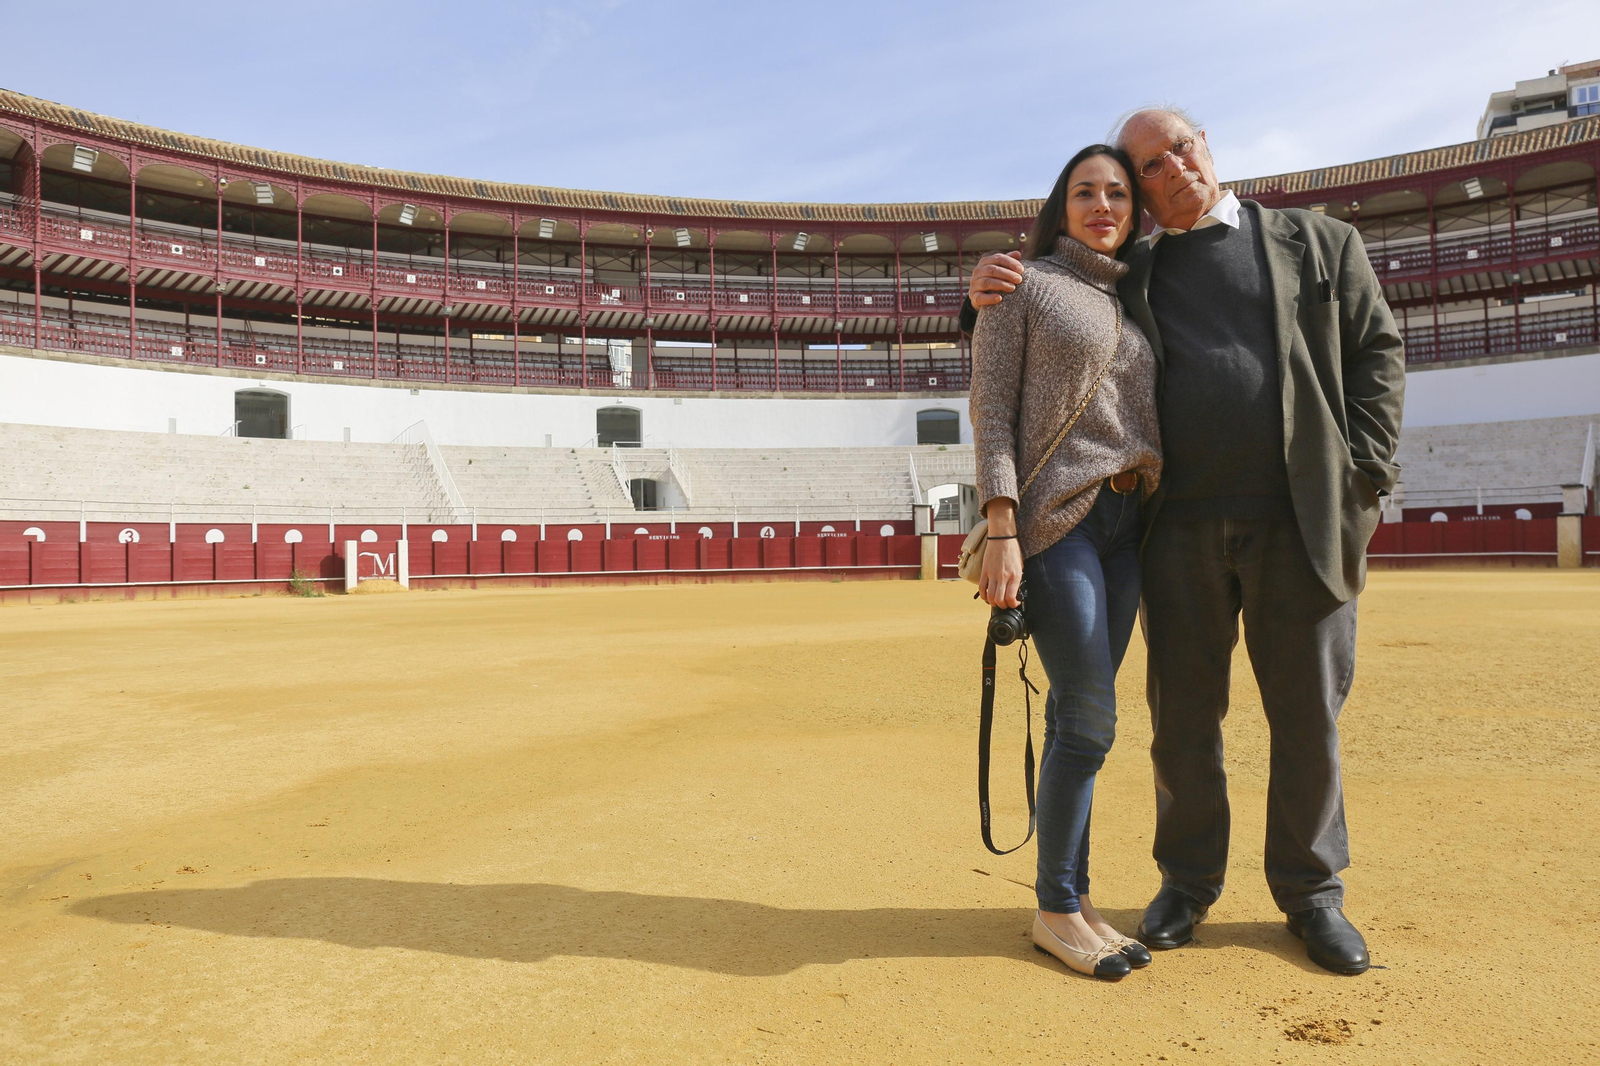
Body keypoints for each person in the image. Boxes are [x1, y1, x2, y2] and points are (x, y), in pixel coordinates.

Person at [961, 108, 1405, 976]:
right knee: (1183, 721)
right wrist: (976, 290)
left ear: (1209, 147)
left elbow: (1376, 354)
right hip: (1178, 526)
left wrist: (1365, 478)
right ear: (1144, 195)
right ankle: (1189, 883)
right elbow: (1046, 311)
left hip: (1301, 520)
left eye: (1181, 150)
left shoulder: (1317, 242)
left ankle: (1312, 895)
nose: (1173, 171)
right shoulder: (1139, 266)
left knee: (1308, 715)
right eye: (1149, 169)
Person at [971, 144, 1163, 981]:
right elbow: (991, 412)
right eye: (1085, 191)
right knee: (1088, 719)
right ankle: (1055, 907)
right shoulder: (1024, 284)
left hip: (1131, 523)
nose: (1103, 204)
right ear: (1061, 205)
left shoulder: (1136, 291)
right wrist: (1002, 525)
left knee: (1074, 721)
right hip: (1059, 522)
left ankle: (1076, 897)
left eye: (1117, 192)